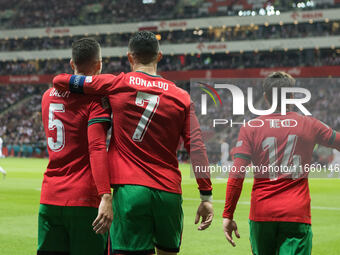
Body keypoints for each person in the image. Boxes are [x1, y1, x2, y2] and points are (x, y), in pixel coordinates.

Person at [53, 31, 213, 255]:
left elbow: (61, 81)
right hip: (168, 192)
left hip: (130, 190)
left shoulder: (117, 83)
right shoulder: (182, 97)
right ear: (159, 57)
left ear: (130, 57)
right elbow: (197, 147)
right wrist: (206, 195)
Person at [222, 72, 340, 255]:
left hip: (261, 214)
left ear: (266, 97)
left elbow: (237, 174)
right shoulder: (310, 124)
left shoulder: (250, 127)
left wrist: (228, 214)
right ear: (292, 95)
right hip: (296, 214)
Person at [38, 38, 113, 255]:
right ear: (99, 64)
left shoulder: (47, 96)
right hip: (84, 198)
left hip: (50, 196)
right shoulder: (96, 101)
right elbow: (97, 147)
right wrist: (105, 195)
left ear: (72, 63)